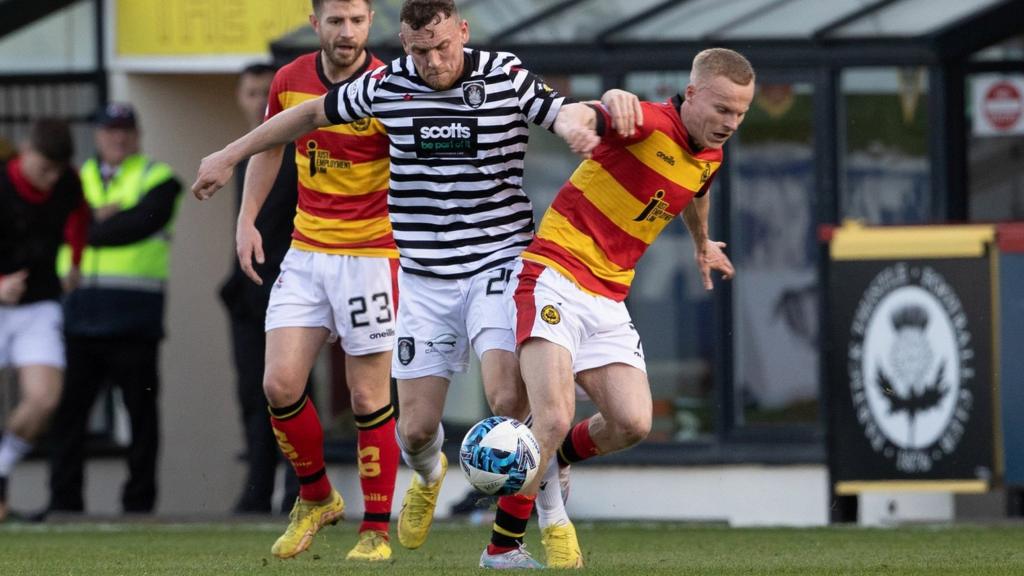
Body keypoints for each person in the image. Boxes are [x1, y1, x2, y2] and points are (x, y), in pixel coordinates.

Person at [192, 0, 633, 568]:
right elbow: (304, 118)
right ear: (402, 43)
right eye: (418, 50)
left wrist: (577, 122)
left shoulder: (503, 74)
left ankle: (544, 524)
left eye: (442, 47)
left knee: (507, 398)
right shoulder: (387, 84)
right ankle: (428, 477)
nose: (431, 61)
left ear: (463, 32)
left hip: (498, 264)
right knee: (417, 430)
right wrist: (229, 154)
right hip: (424, 276)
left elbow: (559, 109)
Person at [509, 47, 755, 565]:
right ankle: (503, 546)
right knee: (552, 417)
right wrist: (585, 116)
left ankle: (556, 459)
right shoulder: (646, 122)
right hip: (555, 272)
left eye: (741, 114)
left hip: (609, 294)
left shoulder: (710, 152)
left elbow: (696, 188)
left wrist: (702, 242)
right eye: (723, 110)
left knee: (633, 423)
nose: (731, 123)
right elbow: (595, 113)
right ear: (691, 94)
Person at [224, 0, 401, 562]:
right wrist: (247, 219)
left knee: (367, 394)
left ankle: (375, 529)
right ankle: (317, 497)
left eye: (356, 21)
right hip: (306, 252)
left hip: (372, 253)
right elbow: (271, 144)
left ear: (370, 22)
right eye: (335, 21)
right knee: (278, 384)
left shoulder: (390, 85)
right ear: (315, 23)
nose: (346, 32)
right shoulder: (289, 79)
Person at [47, 102, 184, 515]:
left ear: (137, 135)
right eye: (110, 130)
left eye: (126, 130)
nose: (118, 137)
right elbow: (48, 223)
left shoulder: (157, 178)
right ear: (97, 135)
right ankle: (64, 504)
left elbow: (140, 222)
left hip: (134, 320)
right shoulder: (73, 179)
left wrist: (83, 224)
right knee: (68, 417)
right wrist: (98, 219)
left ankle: (138, 506)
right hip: (79, 318)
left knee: (141, 419)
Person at [220, 62, 303, 515]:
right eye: (250, 93)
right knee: (253, 392)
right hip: (247, 295)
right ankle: (257, 489)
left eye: (263, 93)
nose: (258, 102)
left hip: (289, 288)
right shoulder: (246, 155)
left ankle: (297, 490)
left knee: (290, 390)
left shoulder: (296, 152)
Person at [0, 119, 89, 522]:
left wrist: (74, 262)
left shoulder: (67, 183)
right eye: (43, 169)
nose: (50, 179)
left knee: (44, 399)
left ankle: (0, 469)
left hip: (38, 305)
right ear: (24, 151)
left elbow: (80, 218)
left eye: (57, 170)